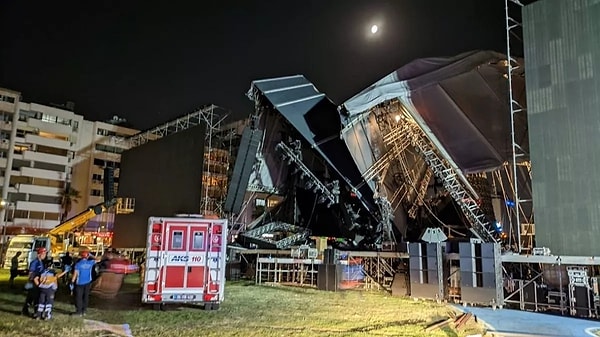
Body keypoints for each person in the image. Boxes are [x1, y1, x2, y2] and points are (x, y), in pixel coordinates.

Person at [22, 247, 47, 316]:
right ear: (39, 254)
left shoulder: (41, 262)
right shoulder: (35, 262)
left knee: (31, 297)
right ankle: (35, 312)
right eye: (43, 254)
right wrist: (34, 281)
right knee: (35, 297)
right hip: (33, 283)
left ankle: (25, 310)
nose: (45, 255)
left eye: (45, 254)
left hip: (38, 282)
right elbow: (31, 273)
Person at [71, 250, 96, 316]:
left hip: (79, 283)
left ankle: (79, 312)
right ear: (87, 256)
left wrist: (72, 282)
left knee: (79, 297)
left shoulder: (78, 264)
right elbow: (98, 259)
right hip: (87, 282)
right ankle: (84, 311)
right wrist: (91, 255)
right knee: (86, 297)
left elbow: (75, 274)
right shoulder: (90, 263)